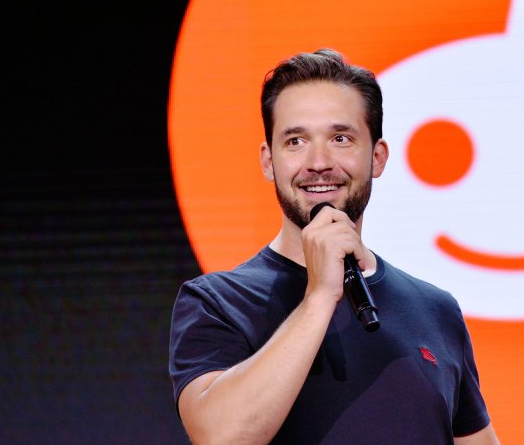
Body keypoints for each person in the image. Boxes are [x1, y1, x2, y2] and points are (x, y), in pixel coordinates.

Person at [168, 49, 499, 444]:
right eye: (295, 141)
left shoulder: (435, 309)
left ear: (377, 157)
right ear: (268, 161)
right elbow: (221, 437)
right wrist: (320, 297)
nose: (319, 162)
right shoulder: (218, 303)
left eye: (341, 138)